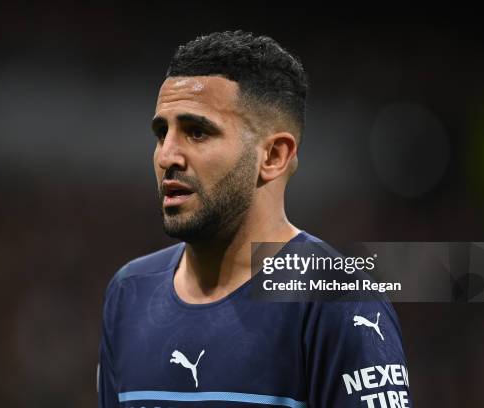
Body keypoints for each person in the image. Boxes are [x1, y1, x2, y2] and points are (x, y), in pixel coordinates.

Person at [97, 31, 411, 408]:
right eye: (162, 133)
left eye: (197, 132)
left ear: (274, 156)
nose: (167, 156)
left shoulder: (335, 299)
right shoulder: (130, 293)